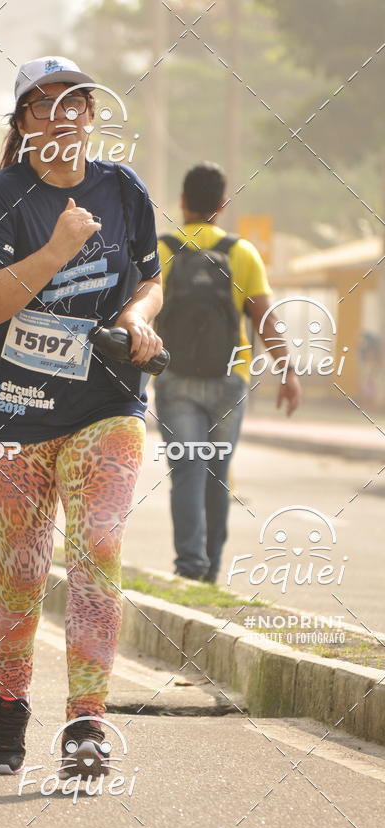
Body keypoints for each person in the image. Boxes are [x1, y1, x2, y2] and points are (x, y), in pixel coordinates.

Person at [0, 56, 164, 778]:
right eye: (42, 106)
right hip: (12, 412)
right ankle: (11, 699)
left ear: (91, 115)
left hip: (105, 400)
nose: (62, 115)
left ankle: (86, 722)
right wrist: (55, 250)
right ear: (22, 125)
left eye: (75, 101)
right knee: (22, 564)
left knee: (98, 548)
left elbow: (149, 278)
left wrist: (139, 317)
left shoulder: (123, 188)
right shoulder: (0, 197)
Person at [154, 162, 302, 582]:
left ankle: (189, 567)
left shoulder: (162, 249)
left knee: (186, 471)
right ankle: (210, 572)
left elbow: (143, 315)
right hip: (229, 379)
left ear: (181, 202)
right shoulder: (241, 252)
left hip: (174, 378)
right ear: (222, 205)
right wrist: (287, 373)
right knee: (217, 475)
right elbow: (265, 319)